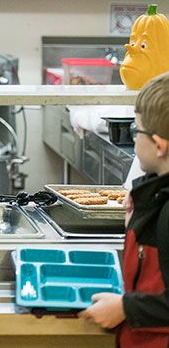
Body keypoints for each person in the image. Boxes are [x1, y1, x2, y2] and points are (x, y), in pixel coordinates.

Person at [78, 71, 169, 348]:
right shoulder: (155, 193)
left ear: (159, 145)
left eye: (135, 130)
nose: (132, 139)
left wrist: (126, 308)